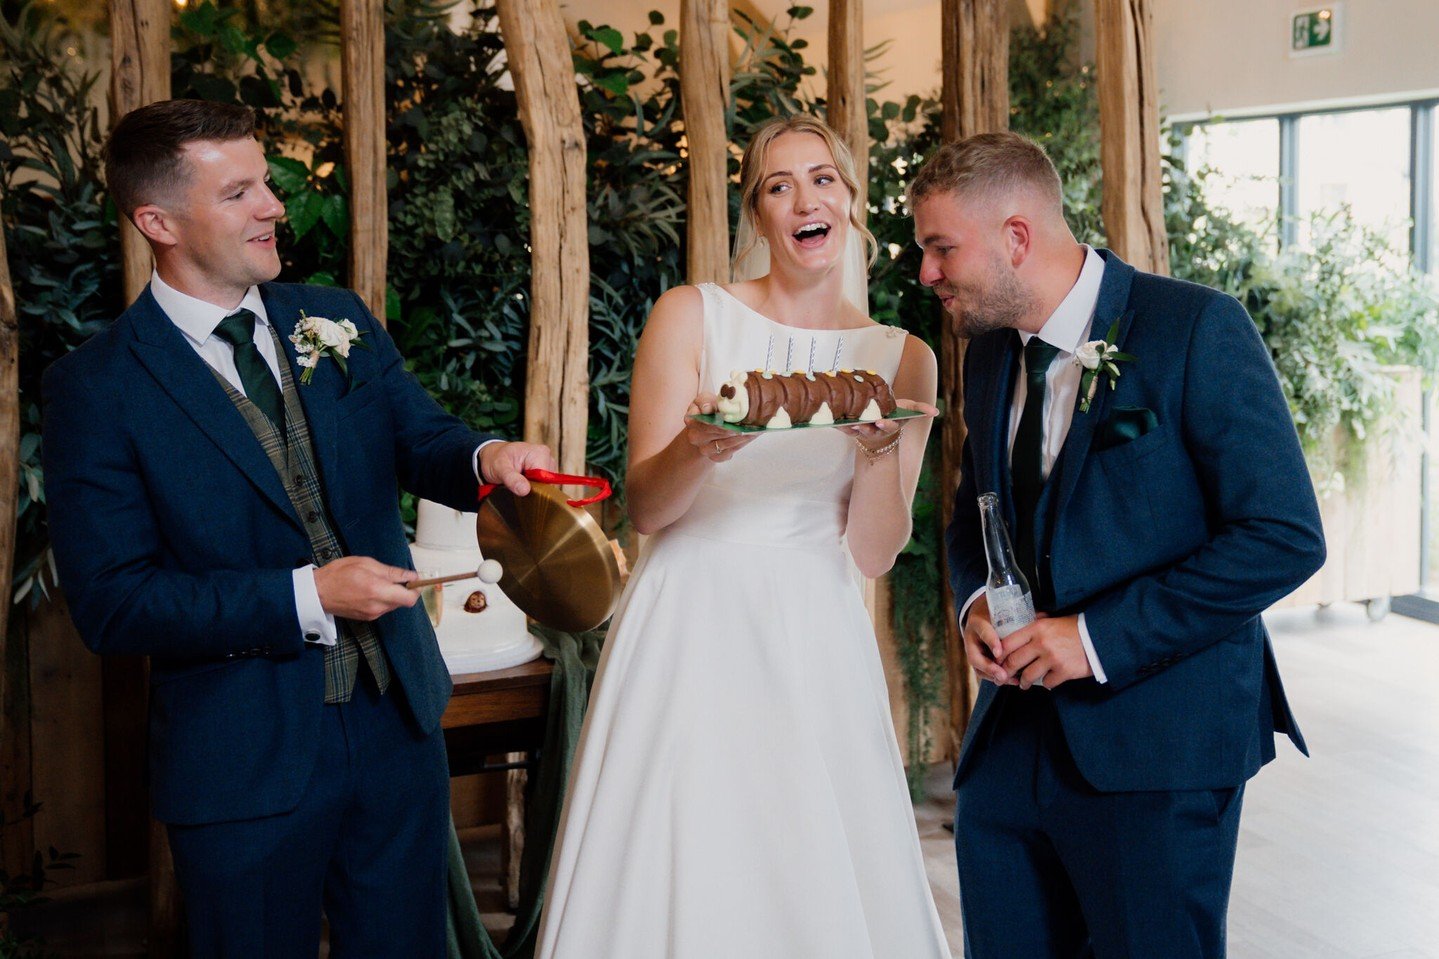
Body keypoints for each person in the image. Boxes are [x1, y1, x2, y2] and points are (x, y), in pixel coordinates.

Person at [41, 99, 555, 956]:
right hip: (240, 759)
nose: (274, 207)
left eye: (267, 185)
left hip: (396, 722)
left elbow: (421, 439)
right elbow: (115, 603)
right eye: (239, 192)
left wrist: (486, 458)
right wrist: (306, 596)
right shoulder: (96, 390)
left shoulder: (335, 316)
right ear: (156, 221)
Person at [534, 115, 950, 958]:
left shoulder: (902, 358)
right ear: (756, 217)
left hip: (813, 626)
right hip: (690, 616)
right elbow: (647, 509)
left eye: (823, 178)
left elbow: (872, 553)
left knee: (805, 850)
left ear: (851, 200)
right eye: (777, 184)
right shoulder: (691, 316)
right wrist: (698, 446)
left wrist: (875, 459)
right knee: (687, 843)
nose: (805, 197)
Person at [913, 131, 1326, 957]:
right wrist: (973, 605)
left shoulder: (1196, 328)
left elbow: (1283, 534)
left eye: (939, 248)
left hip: (1157, 742)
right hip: (1010, 748)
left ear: (1016, 237)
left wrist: (1093, 639)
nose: (926, 274)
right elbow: (971, 512)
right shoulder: (991, 355)